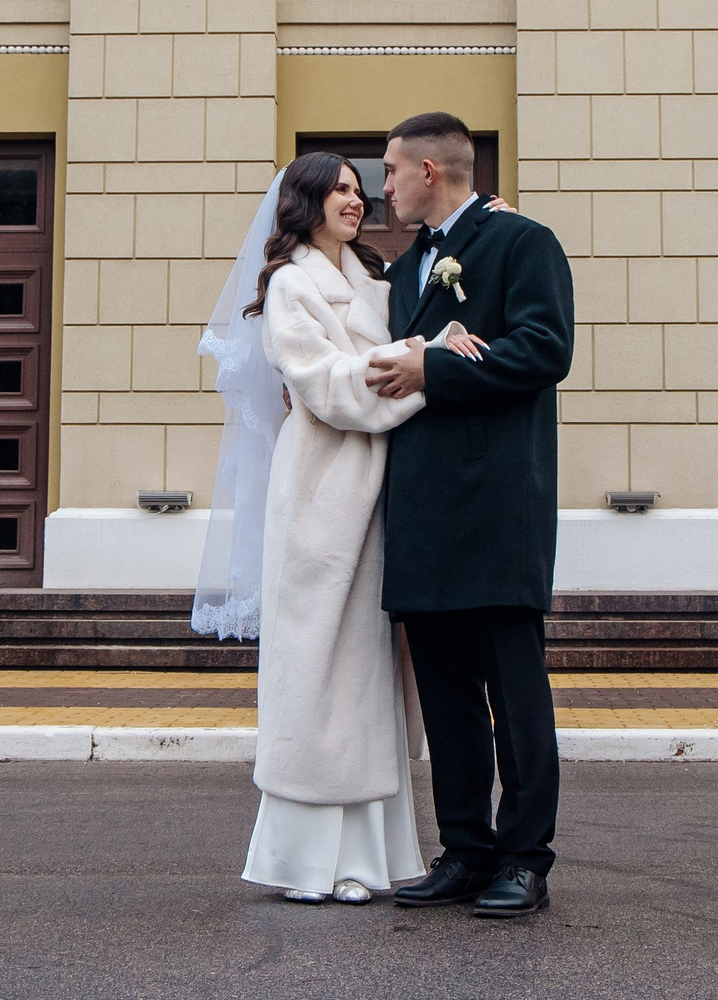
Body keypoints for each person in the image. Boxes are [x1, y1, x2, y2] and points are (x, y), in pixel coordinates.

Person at [190, 152, 485, 904]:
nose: (357, 200)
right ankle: (307, 861)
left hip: (379, 498)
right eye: (341, 190)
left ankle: (372, 854)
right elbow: (325, 386)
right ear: (307, 202)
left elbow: (422, 309)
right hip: (322, 494)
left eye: (361, 188)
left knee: (371, 676)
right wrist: (423, 360)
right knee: (318, 671)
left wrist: (488, 223)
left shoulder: (373, 281)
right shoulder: (292, 285)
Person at [366, 111, 575, 919]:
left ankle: (524, 857)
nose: (383, 187)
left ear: (430, 169)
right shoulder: (408, 262)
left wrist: (436, 364)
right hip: (419, 507)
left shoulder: (522, 242)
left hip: (495, 504)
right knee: (447, 695)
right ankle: (464, 848)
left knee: (514, 694)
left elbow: (544, 348)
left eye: (389, 171)